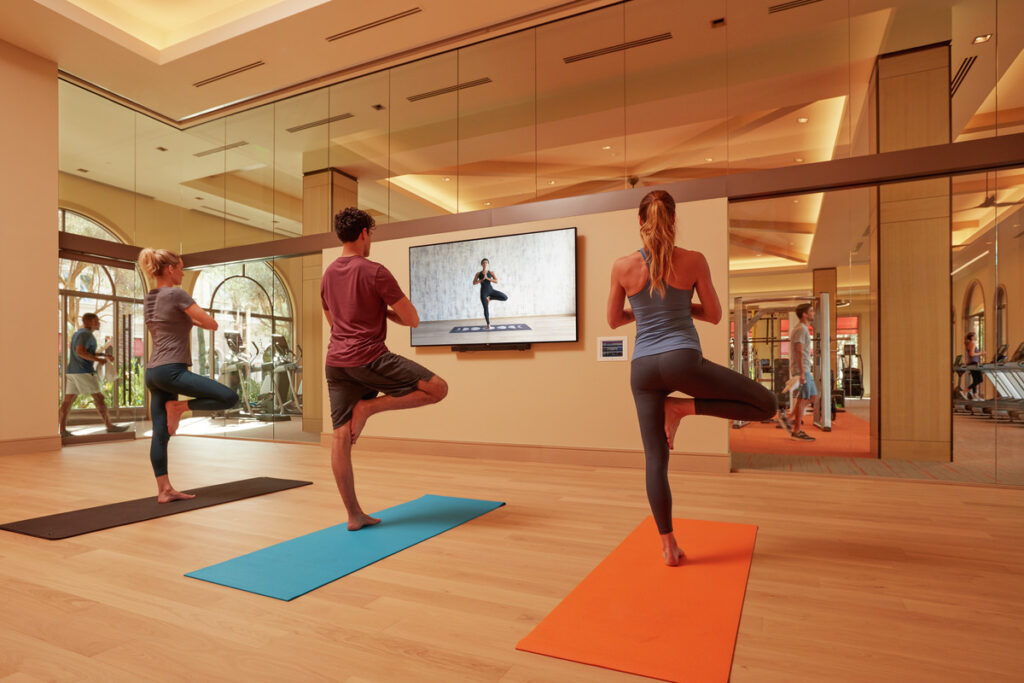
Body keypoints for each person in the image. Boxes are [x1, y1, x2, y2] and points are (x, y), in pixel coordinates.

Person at [607, 190, 777, 566]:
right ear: (673, 221)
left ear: (640, 222)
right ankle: (684, 407)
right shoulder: (694, 261)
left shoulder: (622, 267)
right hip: (683, 359)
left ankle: (668, 547)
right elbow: (715, 314)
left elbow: (615, 320)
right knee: (767, 405)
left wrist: (644, 309)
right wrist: (681, 304)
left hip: (643, 369)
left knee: (655, 458)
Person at [322, 207, 448, 530]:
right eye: (371, 234)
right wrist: (386, 314)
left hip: (336, 362)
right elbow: (413, 319)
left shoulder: (328, 275)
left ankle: (353, 515)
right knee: (438, 388)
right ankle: (369, 408)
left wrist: (374, 315)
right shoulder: (375, 271)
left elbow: (335, 322)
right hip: (370, 358)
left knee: (340, 439)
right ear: (364, 233)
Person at [139, 248, 239, 503]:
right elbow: (211, 323)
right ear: (170, 269)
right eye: (180, 268)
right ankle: (180, 407)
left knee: (160, 434)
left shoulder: (151, 297)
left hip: (153, 372)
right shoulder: (177, 294)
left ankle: (164, 490)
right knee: (229, 397)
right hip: (172, 369)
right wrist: (196, 318)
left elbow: (169, 322)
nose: (182, 272)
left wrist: (186, 320)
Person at [58, 312, 129, 438]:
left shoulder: (78, 334)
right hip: (83, 372)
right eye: (97, 320)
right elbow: (80, 352)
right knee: (99, 398)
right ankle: (110, 426)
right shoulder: (86, 334)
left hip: (72, 371)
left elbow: (85, 351)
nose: (99, 323)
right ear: (90, 322)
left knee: (67, 401)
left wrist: (103, 356)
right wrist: (98, 360)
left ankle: (62, 430)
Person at [786, 303, 818, 441]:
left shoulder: (803, 329)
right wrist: (803, 373)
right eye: (811, 311)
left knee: (811, 396)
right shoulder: (801, 329)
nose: (813, 313)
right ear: (804, 314)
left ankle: (789, 419)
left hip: (804, 368)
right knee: (805, 398)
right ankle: (797, 431)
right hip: (802, 369)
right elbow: (798, 351)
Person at [472, 258, 508, 329]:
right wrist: (482, 279)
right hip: (483, 292)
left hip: (491, 290)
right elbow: (474, 282)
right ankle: (488, 324)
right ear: (481, 264)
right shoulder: (478, 274)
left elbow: (496, 281)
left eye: (486, 263)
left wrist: (488, 278)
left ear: (488, 264)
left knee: (505, 297)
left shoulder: (491, 273)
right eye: (484, 263)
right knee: (486, 308)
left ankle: (490, 298)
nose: (485, 264)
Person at [964, 332, 984, 400]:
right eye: (975, 336)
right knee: (980, 379)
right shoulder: (973, 343)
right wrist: (981, 353)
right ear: (972, 337)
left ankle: (975, 395)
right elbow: (972, 354)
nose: (976, 337)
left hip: (971, 363)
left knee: (975, 380)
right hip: (973, 363)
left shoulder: (969, 343)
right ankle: (965, 391)